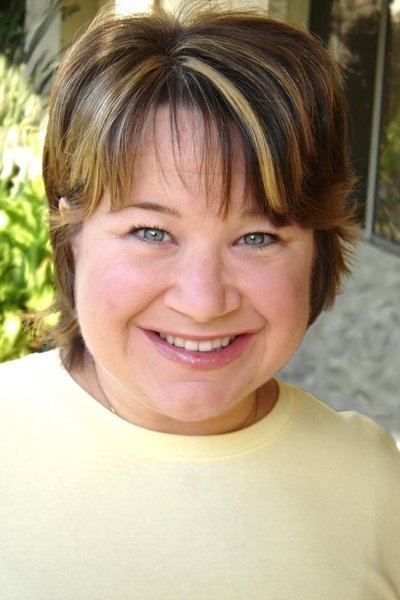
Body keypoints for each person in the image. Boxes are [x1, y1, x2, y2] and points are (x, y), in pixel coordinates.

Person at [1, 2, 399, 598]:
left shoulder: (375, 484)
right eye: (151, 232)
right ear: (72, 233)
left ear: (318, 251)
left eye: (257, 237)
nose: (203, 302)